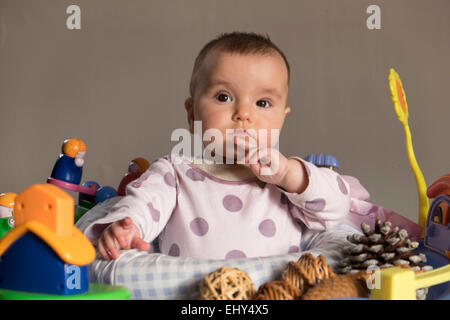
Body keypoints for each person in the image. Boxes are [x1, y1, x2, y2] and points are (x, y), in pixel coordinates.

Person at [80, 32, 351, 260]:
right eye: (224, 97)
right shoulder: (174, 173)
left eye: (263, 103)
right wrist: (129, 227)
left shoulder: (286, 182)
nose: (244, 114)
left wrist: (290, 175)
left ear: (282, 118)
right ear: (192, 114)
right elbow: (143, 203)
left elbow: (337, 207)